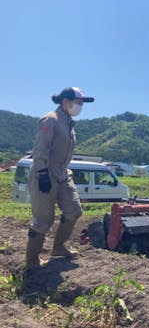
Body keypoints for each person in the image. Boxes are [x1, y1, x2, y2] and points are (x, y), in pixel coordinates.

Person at [25, 87, 95, 270]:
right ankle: (32, 261)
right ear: (65, 101)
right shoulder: (51, 119)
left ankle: (58, 247)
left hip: (63, 173)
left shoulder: (69, 123)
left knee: (74, 210)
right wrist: (42, 174)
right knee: (43, 221)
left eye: (81, 104)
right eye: (78, 102)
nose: (80, 106)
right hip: (46, 173)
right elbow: (40, 149)